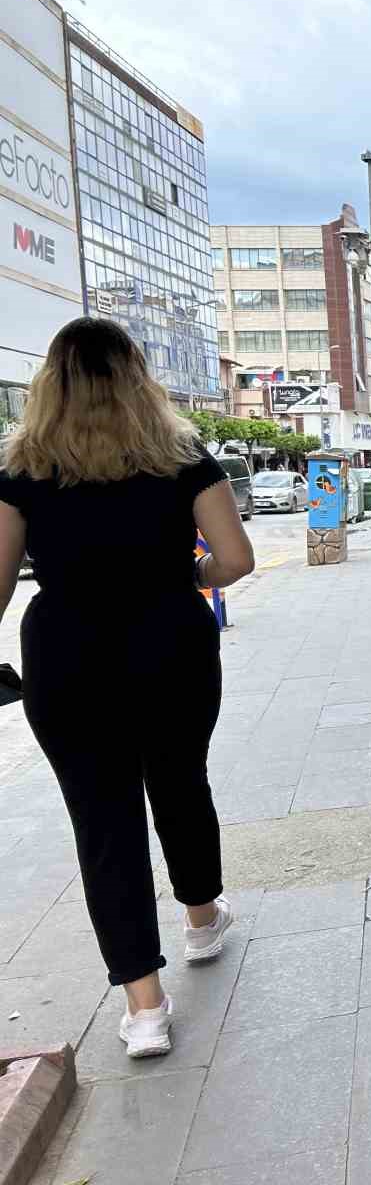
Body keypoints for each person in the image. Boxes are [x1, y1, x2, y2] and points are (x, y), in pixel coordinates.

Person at [0, 318, 256, 1059]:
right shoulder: (181, 458)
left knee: (101, 819)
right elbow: (234, 559)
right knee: (179, 780)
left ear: (52, 385)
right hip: (170, 641)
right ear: (139, 379)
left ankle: (144, 1006)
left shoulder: (23, 467)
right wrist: (187, 577)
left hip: (67, 653)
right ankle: (203, 919)